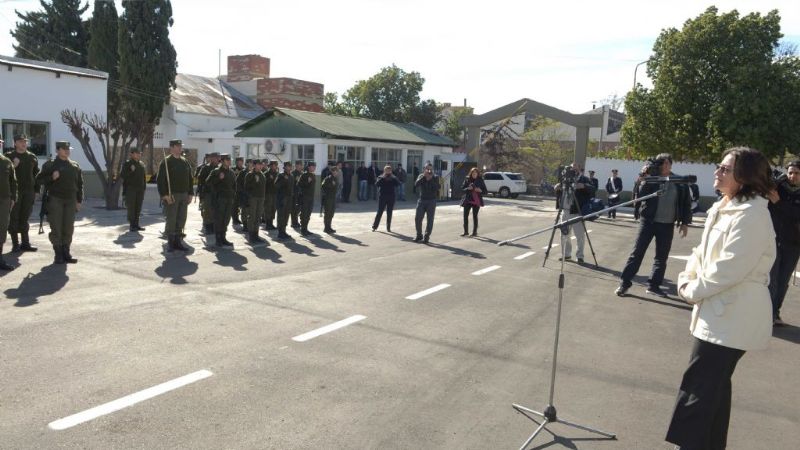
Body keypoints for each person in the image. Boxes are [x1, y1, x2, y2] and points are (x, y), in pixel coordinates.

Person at [666, 147, 776, 450]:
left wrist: (692, 290)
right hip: (719, 312)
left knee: (699, 387)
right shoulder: (724, 206)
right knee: (713, 389)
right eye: (719, 166)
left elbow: (729, 268)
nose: (718, 171)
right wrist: (687, 277)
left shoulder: (752, 213)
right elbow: (702, 254)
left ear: (745, 177)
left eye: (725, 169)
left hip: (733, 317)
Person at [616, 153, 692, 297]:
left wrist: (684, 222)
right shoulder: (651, 179)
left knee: (661, 257)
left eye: (668, 163)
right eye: (662, 164)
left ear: (671, 165)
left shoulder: (679, 181)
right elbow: (640, 194)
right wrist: (643, 177)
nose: (665, 166)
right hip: (648, 222)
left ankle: (654, 286)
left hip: (667, 224)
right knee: (637, 253)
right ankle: (624, 283)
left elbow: (685, 203)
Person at [36, 141, 83, 264]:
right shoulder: (50, 165)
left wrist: (79, 200)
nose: (67, 151)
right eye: (64, 149)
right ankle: (58, 254)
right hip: (55, 199)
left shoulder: (74, 165)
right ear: (57, 150)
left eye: (68, 149)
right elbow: (39, 180)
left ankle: (66, 252)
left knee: (68, 227)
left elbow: (80, 185)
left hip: (71, 200)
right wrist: (51, 177)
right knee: (56, 227)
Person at [767, 160, 800, 326]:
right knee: (772, 279)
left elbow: (796, 214)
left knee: (782, 280)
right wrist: (777, 180)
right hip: (773, 240)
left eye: (797, 173)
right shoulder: (778, 187)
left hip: (794, 244)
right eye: (790, 172)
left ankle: (775, 312)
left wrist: (779, 203)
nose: (793, 176)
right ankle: (769, 314)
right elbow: (763, 190)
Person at [157, 139, 194, 252]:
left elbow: (190, 178)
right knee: (172, 219)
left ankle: (178, 241)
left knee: (181, 218)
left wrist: (190, 193)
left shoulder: (184, 162)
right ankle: (171, 243)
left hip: (184, 194)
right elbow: (160, 180)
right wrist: (164, 195)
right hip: (172, 195)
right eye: (177, 146)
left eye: (180, 146)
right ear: (172, 148)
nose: (180, 148)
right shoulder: (167, 162)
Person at [5, 134, 39, 253]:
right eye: (20, 141)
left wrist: (37, 190)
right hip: (16, 192)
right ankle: (15, 244)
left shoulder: (32, 157)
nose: (23, 143)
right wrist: (13, 166)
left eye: (25, 141)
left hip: (29, 192)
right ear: (15, 143)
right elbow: (4, 175)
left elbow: (36, 175)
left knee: (25, 217)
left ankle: (25, 243)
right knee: (14, 217)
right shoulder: (9, 156)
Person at [554, 163, 594, 263]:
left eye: (575, 169)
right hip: (565, 211)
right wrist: (557, 187)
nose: (573, 171)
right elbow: (559, 192)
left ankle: (580, 256)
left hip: (577, 212)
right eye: (572, 169)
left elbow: (593, 189)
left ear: (580, 170)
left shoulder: (584, 179)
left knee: (580, 235)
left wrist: (584, 186)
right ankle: (566, 254)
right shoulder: (565, 180)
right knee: (564, 235)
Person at [207, 154, 236, 247]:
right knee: (219, 219)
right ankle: (218, 239)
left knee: (226, 219)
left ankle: (223, 237)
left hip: (229, 199)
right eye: (227, 160)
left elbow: (234, 186)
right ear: (222, 161)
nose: (229, 161)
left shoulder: (231, 172)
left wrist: (233, 196)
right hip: (219, 199)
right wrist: (218, 178)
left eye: (229, 160)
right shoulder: (216, 171)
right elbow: (208, 182)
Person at [0, 134, 18, 271]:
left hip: (4, 200)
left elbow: (13, 182)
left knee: (2, 228)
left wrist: (13, 198)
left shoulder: (6, 162)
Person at [121, 148, 147, 232]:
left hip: (140, 189)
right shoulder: (128, 164)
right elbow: (123, 175)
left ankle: (137, 224)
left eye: (139, 153)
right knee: (131, 207)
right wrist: (131, 171)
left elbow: (143, 178)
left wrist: (144, 188)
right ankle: (132, 225)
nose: (139, 155)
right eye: (137, 153)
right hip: (131, 189)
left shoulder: (141, 164)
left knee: (138, 207)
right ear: (132, 154)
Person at [414, 163, 439, 243]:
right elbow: (416, 184)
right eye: (427, 169)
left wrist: (430, 179)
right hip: (422, 200)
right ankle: (419, 235)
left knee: (430, 219)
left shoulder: (435, 177)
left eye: (431, 169)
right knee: (418, 218)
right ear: (424, 169)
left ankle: (427, 236)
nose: (429, 170)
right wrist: (424, 177)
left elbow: (438, 187)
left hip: (431, 201)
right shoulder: (421, 176)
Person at [243, 159, 266, 244]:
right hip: (253, 198)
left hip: (261, 198)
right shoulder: (250, 175)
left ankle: (256, 235)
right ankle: (251, 236)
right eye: (258, 164)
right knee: (252, 217)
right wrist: (255, 182)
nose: (260, 166)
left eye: (261, 165)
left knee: (258, 217)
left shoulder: (262, 175)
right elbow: (246, 188)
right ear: (254, 165)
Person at [372, 165, 400, 232]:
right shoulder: (381, 177)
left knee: (389, 212)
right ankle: (375, 226)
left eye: (389, 170)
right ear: (384, 171)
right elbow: (376, 184)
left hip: (391, 196)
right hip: (383, 196)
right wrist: (383, 177)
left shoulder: (393, 177)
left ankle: (388, 227)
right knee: (380, 211)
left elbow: (398, 184)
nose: (388, 172)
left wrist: (394, 177)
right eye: (387, 170)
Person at [196, 152, 219, 234]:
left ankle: (213, 226)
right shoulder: (206, 168)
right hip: (208, 192)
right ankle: (208, 226)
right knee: (207, 210)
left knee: (215, 210)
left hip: (216, 193)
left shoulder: (219, 168)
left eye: (218, 158)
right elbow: (200, 178)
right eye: (216, 158)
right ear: (212, 158)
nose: (217, 159)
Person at [461, 168, 487, 237]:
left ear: (478, 174)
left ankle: (474, 232)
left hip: (476, 200)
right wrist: (467, 188)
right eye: (473, 173)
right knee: (465, 216)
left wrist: (480, 190)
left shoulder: (480, 180)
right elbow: (462, 188)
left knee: (475, 216)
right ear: (471, 173)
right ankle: (466, 232)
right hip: (468, 200)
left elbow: (485, 191)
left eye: (475, 173)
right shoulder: (467, 179)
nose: (474, 174)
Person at [275, 162, 294, 240]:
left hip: (289, 198)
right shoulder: (281, 175)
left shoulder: (291, 176)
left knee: (286, 215)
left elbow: (292, 187)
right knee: (281, 216)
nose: (289, 168)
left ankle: (284, 231)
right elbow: (276, 185)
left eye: (290, 166)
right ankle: (280, 232)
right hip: (282, 198)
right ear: (284, 167)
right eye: (287, 166)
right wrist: (283, 180)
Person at [297, 161, 316, 236]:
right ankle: (303, 229)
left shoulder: (313, 175)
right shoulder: (304, 175)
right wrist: (307, 182)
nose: (314, 168)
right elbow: (299, 184)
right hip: (305, 197)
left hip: (311, 197)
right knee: (304, 214)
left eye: (315, 167)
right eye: (312, 166)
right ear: (309, 167)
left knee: (308, 214)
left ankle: (306, 228)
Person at [237, 159, 253, 232]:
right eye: (249, 163)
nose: (250, 164)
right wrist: (242, 192)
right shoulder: (243, 172)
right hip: (244, 194)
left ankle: (250, 225)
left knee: (251, 210)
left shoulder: (253, 172)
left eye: (251, 163)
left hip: (252, 195)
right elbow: (238, 183)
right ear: (246, 164)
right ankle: (245, 225)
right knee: (244, 211)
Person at [321, 165, 338, 233]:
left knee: (331, 213)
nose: (336, 172)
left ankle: (329, 227)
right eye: (335, 171)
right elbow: (323, 186)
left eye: (336, 171)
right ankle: (326, 228)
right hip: (328, 198)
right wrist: (331, 185)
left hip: (333, 198)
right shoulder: (328, 178)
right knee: (327, 213)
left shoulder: (335, 178)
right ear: (332, 172)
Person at [263, 160, 279, 230]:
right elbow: (264, 183)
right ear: (270, 166)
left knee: (273, 208)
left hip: (275, 193)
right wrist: (270, 179)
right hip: (268, 193)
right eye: (272, 165)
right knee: (268, 209)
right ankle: (268, 224)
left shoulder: (277, 173)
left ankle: (271, 223)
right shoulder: (266, 173)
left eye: (275, 165)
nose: (273, 166)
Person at [231, 156, 245, 225]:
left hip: (242, 190)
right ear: (236, 162)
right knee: (235, 206)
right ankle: (235, 219)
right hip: (235, 190)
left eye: (241, 162)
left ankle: (242, 218)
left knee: (242, 205)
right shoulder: (233, 169)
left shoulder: (244, 169)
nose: (240, 163)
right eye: (239, 162)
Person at [290, 161, 303, 228]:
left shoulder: (301, 173)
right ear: (296, 166)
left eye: (301, 165)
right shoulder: (293, 173)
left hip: (300, 193)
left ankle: (296, 221)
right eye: (299, 165)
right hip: (294, 194)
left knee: (298, 209)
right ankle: (293, 222)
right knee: (294, 209)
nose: (301, 167)